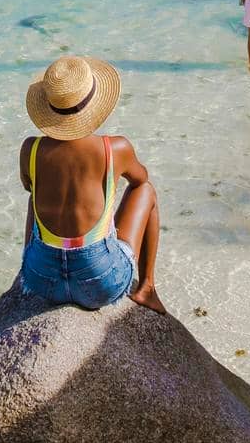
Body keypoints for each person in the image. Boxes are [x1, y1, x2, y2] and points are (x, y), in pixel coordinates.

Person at [17, 54, 165, 313]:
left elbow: (29, 188)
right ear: (94, 105)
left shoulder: (31, 148)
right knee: (146, 191)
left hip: (43, 283)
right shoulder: (115, 148)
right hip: (100, 284)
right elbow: (141, 179)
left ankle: (26, 267)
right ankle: (147, 288)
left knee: (36, 194)